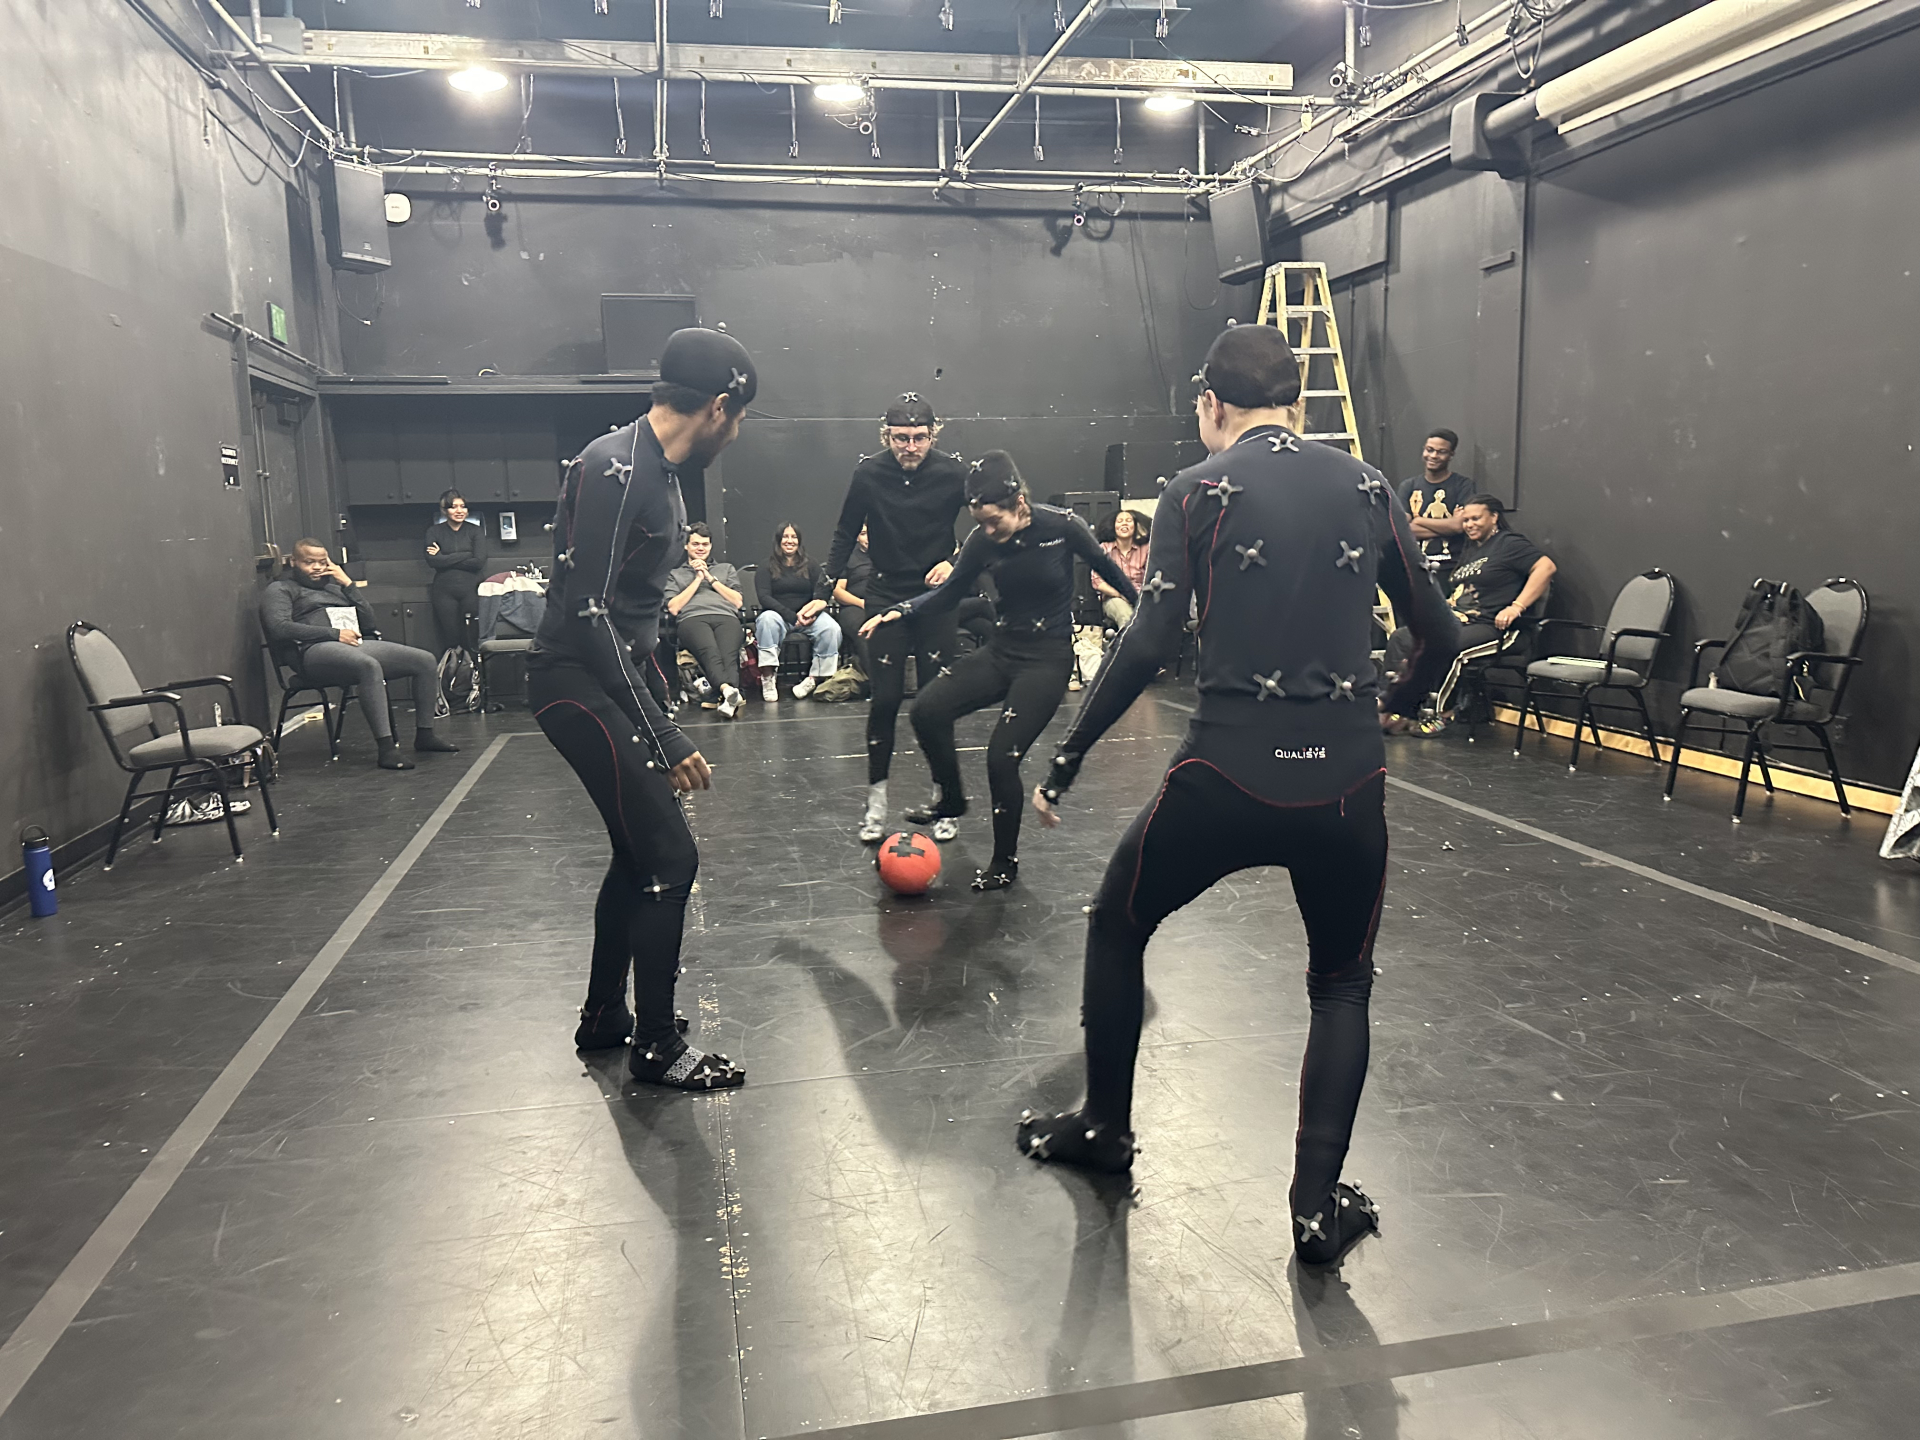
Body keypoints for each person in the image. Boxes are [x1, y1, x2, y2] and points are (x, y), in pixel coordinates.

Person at [1015, 324, 1459, 1270]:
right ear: (1296, 401)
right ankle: (1313, 1208)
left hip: (1224, 779)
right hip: (1346, 786)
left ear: (1211, 404)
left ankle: (1105, 1130)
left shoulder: (1195, 490)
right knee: (1341, 984)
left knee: (1116, 923)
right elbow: (1442, 633)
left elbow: (1146, 641)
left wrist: (1070, 756)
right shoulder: (1369, 486)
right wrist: (1397, 709)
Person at [528, 327, 754, 1092]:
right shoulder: (616, 468)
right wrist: (662, 729)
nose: (737, 431)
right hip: (571, 681)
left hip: (607, 677)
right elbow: (588, 615)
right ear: (720, 407)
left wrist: (655, 697)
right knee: (670, 858)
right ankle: (655, 1044)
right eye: (739, 417)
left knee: (638, 855)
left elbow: (632, 614)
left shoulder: (660, 470)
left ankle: (605, 1019)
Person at [860, 452, 1137, 890]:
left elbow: (1109, 571)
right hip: (1003, 650)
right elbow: (949, 592)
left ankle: (1004, 862)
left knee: (1000, 758)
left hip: (1046, 660)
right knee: (926, 710)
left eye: (994, 521)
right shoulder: (982, 540)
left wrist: (1144, 612)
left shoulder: (1063, 526)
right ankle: (951, 798)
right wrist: (902, 610)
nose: (988, 531)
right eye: (981, 523)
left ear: (1019, 503)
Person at [823, 394, 971, 841]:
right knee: (884, 701)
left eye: (919, 438)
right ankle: (876, 802)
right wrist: (820, 590)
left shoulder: (952, 471)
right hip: (886, 597)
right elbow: (845, 532)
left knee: (934, 703)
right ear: (886, 436)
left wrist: (957, 561)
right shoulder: (869, 473)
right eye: (901, 438)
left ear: (934, 434)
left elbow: (991, 521)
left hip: (935, 598)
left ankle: (945, 799)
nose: (910, 446)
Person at [261, 539, 459, 771]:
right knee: (368, 665)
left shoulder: (334, 588)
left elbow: (368, 621)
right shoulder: (281, 589)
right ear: (293, 562)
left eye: (322, 562)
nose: (316, 567)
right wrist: (333, 634)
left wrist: (348, 584)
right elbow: (279, 627)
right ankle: (386, 749)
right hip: (311, 651)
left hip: (351, 643)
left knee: (424, 660)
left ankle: (425, 735)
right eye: (309, 562)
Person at [1425, 494, 1556, 722]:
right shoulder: (1471, 548)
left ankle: (1439, 715)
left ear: (1494, 517)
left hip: (1500, 628)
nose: (1469, 524)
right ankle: (1393, 707)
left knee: (1447, 647)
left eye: (1476, 518)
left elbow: (1546, 567)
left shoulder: (1509, 543)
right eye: (1466, 520)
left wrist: (1516, 607)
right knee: (1404, 638)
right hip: (1464, 621)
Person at [665, 523, 747, 721]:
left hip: (726, 616)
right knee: (710, 652)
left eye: (705, 544)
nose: (700, 548)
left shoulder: (725, 569)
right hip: (693, 619)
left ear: (710, 547)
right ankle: (729, 692)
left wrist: (709, 577)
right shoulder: (675, 574)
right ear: (686, 546)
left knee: (728, 656)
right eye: (695, 544)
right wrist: (696, 579)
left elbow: (737, 601)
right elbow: (674, 607)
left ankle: (725, 696)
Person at [754, 523, 842, 702]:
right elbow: (764, 597)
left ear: (799, 541)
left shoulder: (812, 564)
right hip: (779, 615)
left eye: (793, 537)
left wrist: (811, 614)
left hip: (809, 616)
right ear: (779, 540)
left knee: (831, 628)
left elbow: (821, 592)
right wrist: (792, 617)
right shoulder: (766, 566)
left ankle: (813, 679)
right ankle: (768, 677)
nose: (789, 541)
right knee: (766, 620)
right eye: (785, 537)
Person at [1396, 429, 1473, 584]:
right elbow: (1401, 529)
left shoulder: (1463, 485)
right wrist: (1447, 525)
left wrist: (1418, 521)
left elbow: (1459, 526)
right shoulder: (1408, 486)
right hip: (1415, 568)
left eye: (1441, 452)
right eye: (1429, 450)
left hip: (1451, 567)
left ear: (1451, 455)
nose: (1433, 456)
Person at [426, 489, 485, 655]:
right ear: (445, 510)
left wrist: (444, 557)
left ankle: (475, 677)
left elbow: (479, 562)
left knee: (472, 638)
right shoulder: (434, 532)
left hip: (472, 590)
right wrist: (467, 555)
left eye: (463, 507)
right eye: (453, 507)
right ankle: (452, 677)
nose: (459, 511)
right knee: (450, 639)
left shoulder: (475, 531)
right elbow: (432, 561)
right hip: (444, 591)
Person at [1092, 507, 1151, 628]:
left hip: (1142, 598)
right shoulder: (1104, 548)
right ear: (1113, 527)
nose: (1124, 523)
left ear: (1135, 526)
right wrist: (1121, 595)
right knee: (1127, 617)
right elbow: (1097, 581)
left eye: (1128, 520)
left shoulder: (1146, 549)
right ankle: (1128, 646)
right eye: (1120, 521)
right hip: (1114, 597)